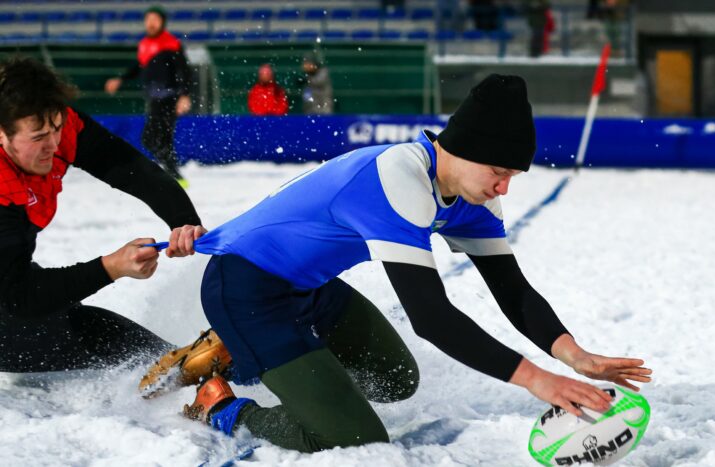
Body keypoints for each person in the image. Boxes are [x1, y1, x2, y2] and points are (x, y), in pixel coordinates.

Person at [145, 74, 652, 452]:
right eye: (500, 172)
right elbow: (431, 318)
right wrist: (537, 380)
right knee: (351, 436)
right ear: (463, 150)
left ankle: (243, 353)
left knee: (394, 380)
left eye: (513, 176)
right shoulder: (397, 175)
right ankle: (223, 406)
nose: (504, 188)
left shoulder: (472, 196)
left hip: (309, 289)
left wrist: (573, 355)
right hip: (246, 291)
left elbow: (511, 289)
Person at [0, 57, 206, 374]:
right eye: (39, 137)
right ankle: (180, 372)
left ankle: (179, 366)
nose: (53, 145)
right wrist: (112, 266)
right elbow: (20, 295)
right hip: (12, 291)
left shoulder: (55, 126)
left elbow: (132, 169)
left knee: (70, 316)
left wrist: (183, 220)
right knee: (80, 329)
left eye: (55, 129)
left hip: (11, 277)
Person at [104, 5, 192, 188]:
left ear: (162, 22)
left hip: (170, 98)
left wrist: (184, 95)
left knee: (152, 137)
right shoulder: (144, 44)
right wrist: (120, 79)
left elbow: (184, 71)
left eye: (155, 19)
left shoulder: (171, 43)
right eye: (148, 19)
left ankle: (173, 174)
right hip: (154, 99)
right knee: (161, 139)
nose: (151, 23)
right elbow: (138, 66)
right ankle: (174, 176)